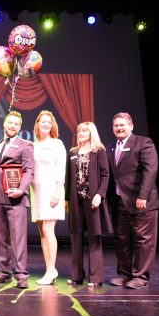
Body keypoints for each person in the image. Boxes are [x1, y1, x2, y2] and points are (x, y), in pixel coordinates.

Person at [107, 112, 159, 289]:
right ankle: (125, 274)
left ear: (131, 126)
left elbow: (150, 170)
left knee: (143, 241)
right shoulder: (111, 147)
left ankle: (141, 277)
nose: (119, 128)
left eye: (122, 125)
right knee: (122, 239)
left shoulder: (144, 143)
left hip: (141, 201)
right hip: (120, 201)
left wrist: (143, 196)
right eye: (116, 125)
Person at [0, 110, 35, 289]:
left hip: (16, 199)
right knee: (1, 238)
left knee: (17, 238)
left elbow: (29, 171)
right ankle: (3, 272)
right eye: (10, 122)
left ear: (20, 127)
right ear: (5, 124)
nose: (12, 126)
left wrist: (21, 190)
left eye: (16, 123)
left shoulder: (26, 145)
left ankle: (21, 274)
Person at [66, 122, 113, 288]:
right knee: (76, 236)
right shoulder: (72, 152)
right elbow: (69, 178)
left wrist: (100, 194)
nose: (81, 133)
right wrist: (67, 200)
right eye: (79, 130)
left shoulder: (98, 151)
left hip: (93, 200)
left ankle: (96, 277)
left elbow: (105, 175)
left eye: (84, 130)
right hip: (75, 200)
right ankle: (76, 275)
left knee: (94, 238)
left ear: (91, 132)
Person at [30, 110, 66, 285]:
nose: (45, 124)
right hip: (36, 191)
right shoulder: (33, 144)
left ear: (52, 126)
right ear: (37, 124)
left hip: (52, 189)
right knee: (42, 233)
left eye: (48, 122)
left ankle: (52, 270)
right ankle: (49, 270)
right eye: (42, 121)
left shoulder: (57, 144)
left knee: (48, 230)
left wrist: (58, 192)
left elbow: (61, 169)